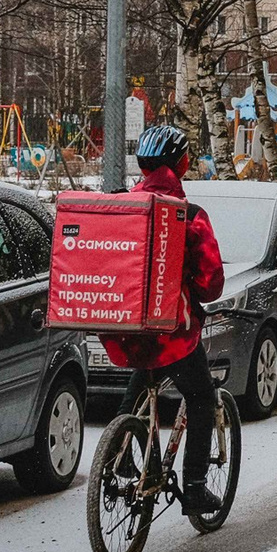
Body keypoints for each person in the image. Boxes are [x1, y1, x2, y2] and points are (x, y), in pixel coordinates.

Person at [99, 123, 229, 511]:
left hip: (126, 329)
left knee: (139, 386)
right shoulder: (190, 216)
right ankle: (195, 488)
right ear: (181, 164)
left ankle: (123, 454)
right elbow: (210, 283)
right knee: (201, 398)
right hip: (173, 334)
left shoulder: (122, 207)